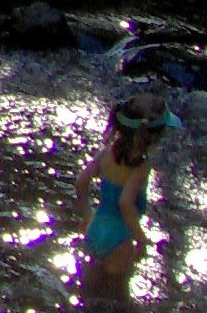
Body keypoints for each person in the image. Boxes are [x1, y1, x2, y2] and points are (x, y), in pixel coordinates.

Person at [74, 89, 179, 295]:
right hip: (120, 240)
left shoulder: (106, 153)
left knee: (90, 293)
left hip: (94, 229)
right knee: (118, 298)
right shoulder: (141, 166)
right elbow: (125, 203)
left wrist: (88, 216)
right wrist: (141, 239)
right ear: (154, 136)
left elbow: (81, 183)